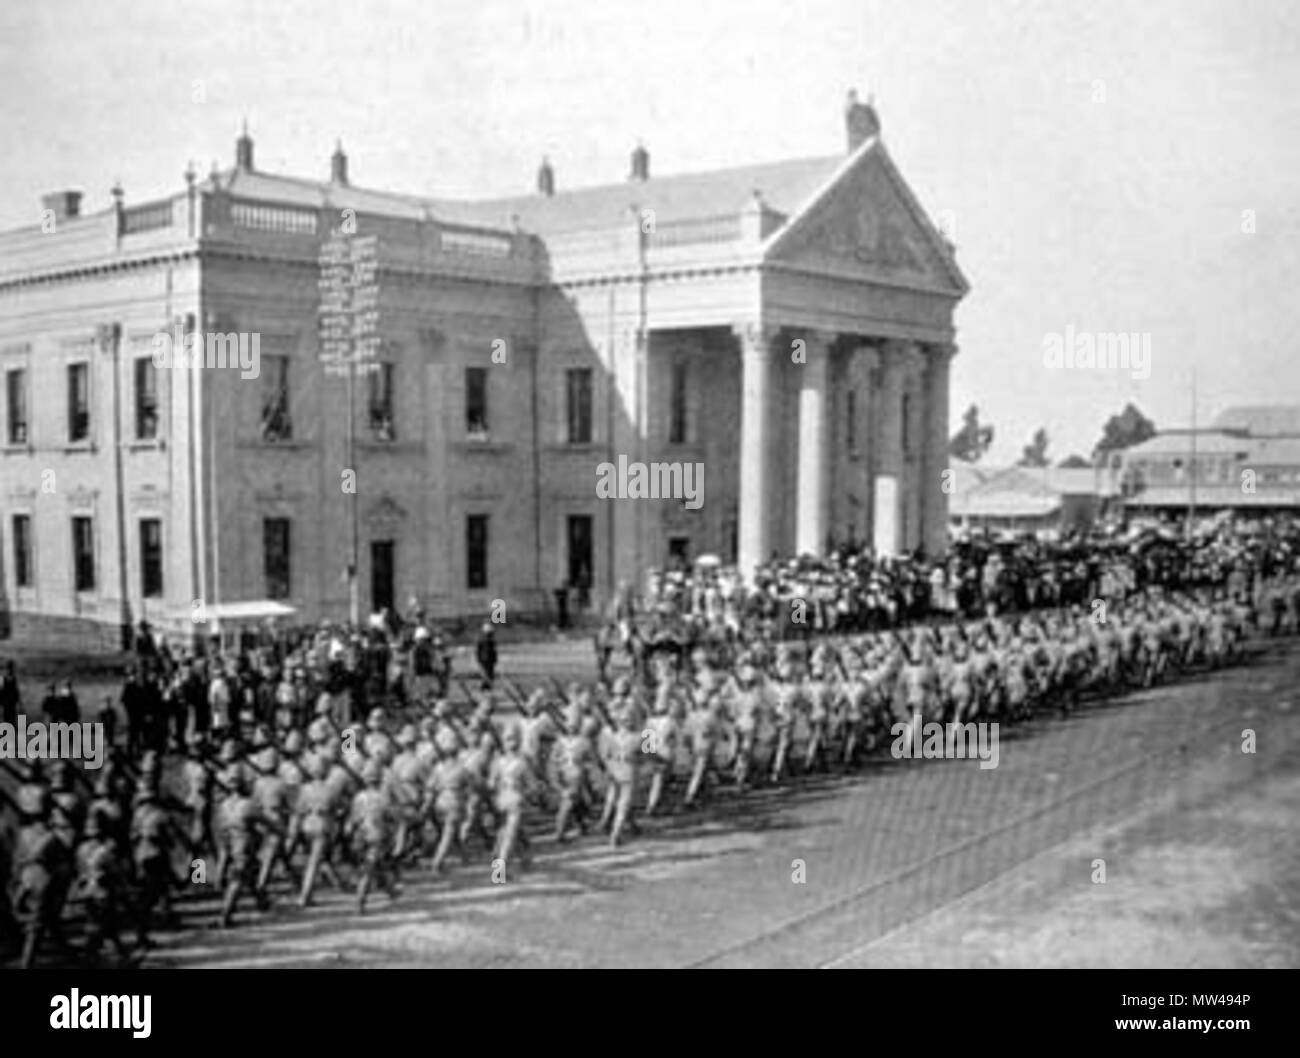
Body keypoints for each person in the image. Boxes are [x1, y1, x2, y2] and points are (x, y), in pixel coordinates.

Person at [475, 623, 498, 687]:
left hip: (488, 659)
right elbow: (478, 651)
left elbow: (494, 651)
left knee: (489, 672)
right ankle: (486, 684)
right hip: (485, 659)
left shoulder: (491, 642)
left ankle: (487, 684)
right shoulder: (482, 641)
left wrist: (494, 658)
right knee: (486, 672)